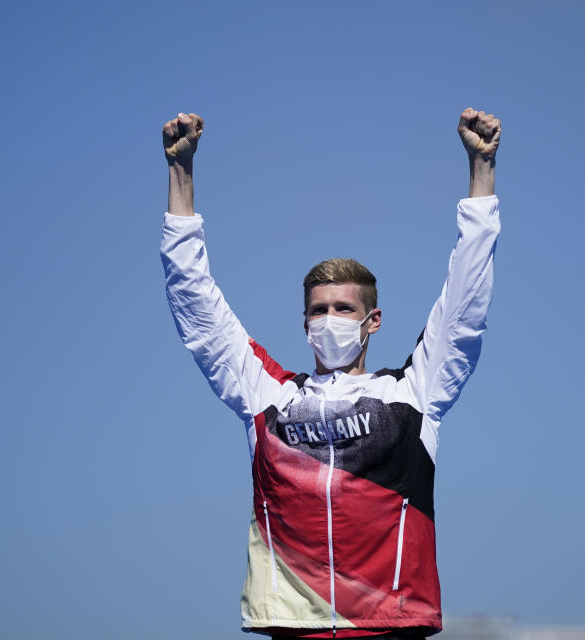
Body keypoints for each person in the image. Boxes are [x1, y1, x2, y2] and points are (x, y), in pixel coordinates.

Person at [160, 108, 502, 639]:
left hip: (390, 626)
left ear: (372, 321)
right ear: (303, 323)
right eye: (317, 310)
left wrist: (482, 175)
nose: (329, 320)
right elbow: (198, 309)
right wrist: (181, 175)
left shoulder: (411, 393)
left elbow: (464, 307)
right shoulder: (269, 396)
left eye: (343, 309)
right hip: (292, 627)